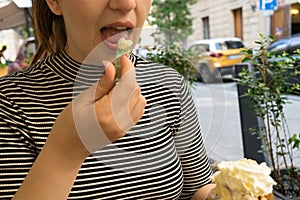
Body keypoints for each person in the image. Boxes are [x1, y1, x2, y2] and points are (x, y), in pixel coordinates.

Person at [0, 0, 216, 199]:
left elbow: (196, 188)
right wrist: (65, 153)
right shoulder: (9, 102)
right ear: (55, 2)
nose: (126, 3)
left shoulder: (169, 84)